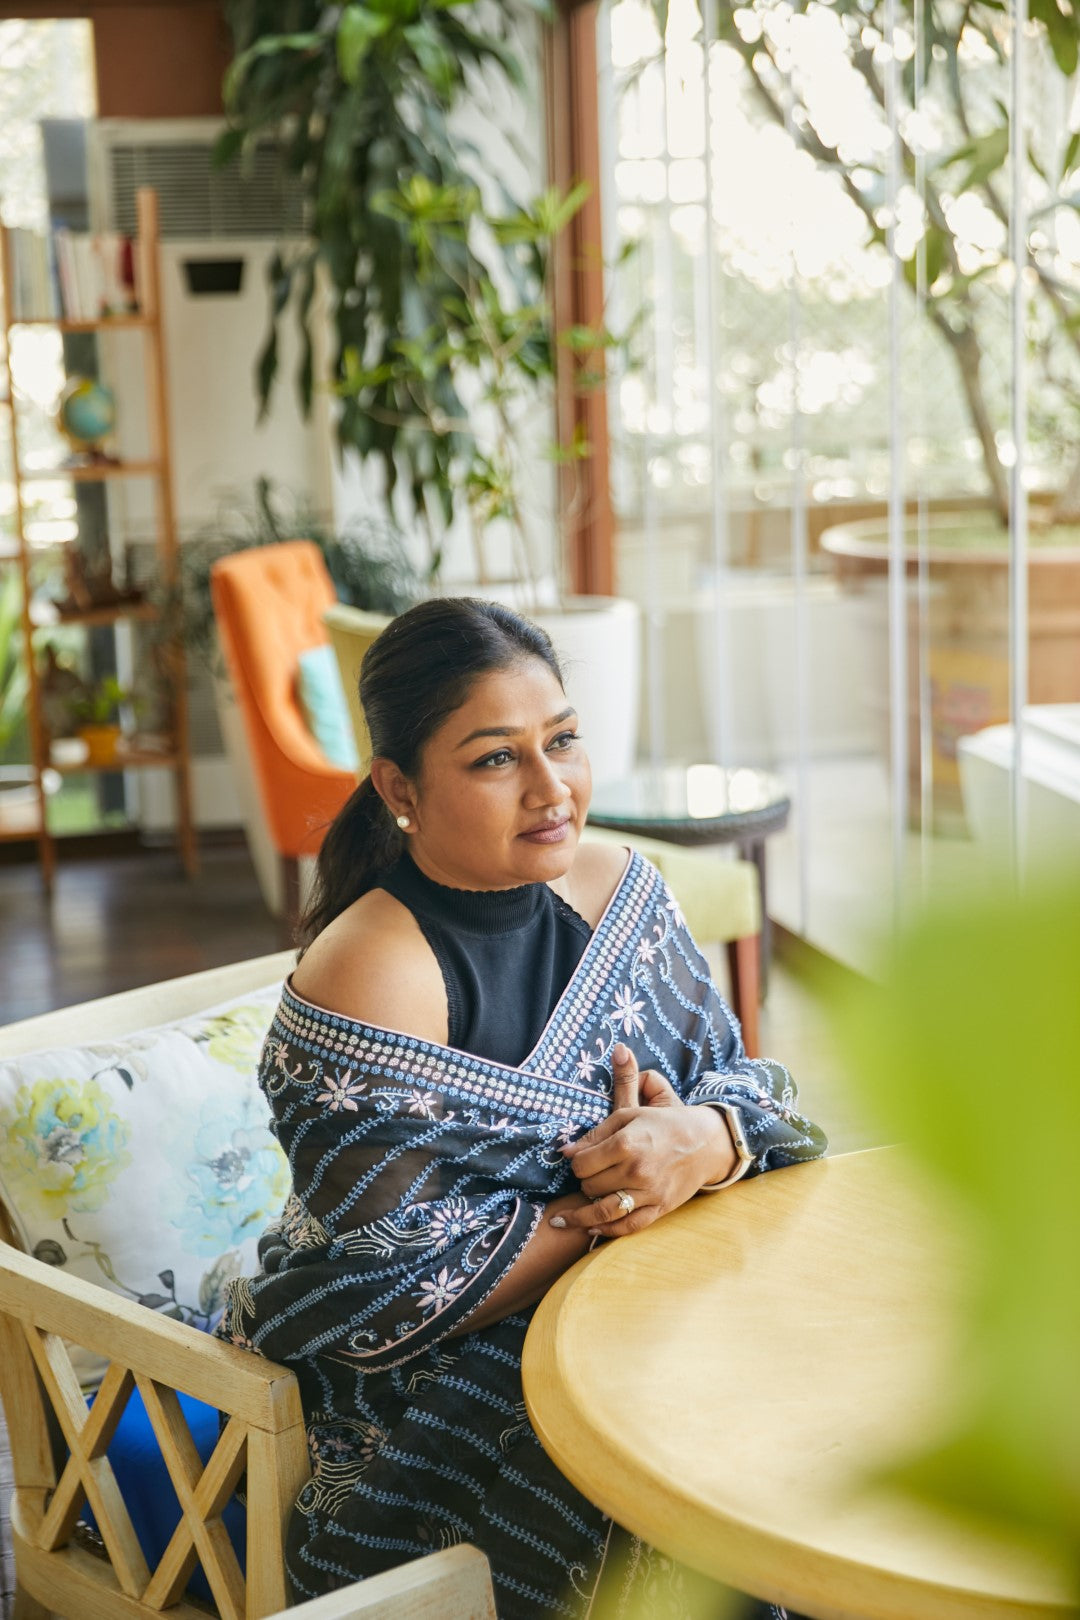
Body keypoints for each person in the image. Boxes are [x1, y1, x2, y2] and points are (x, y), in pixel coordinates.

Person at [217, 598, 827, 1619]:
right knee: (675, 1461)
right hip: (436, 1389)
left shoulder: (621, 886)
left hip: (650, 1296)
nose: (553, 788)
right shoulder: (374, 967)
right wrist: (614, 1206)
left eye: (564, 741)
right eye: (497, 759)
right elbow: (391, 1288)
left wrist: (702, 1140)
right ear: (400, 788)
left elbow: (752, 1086)